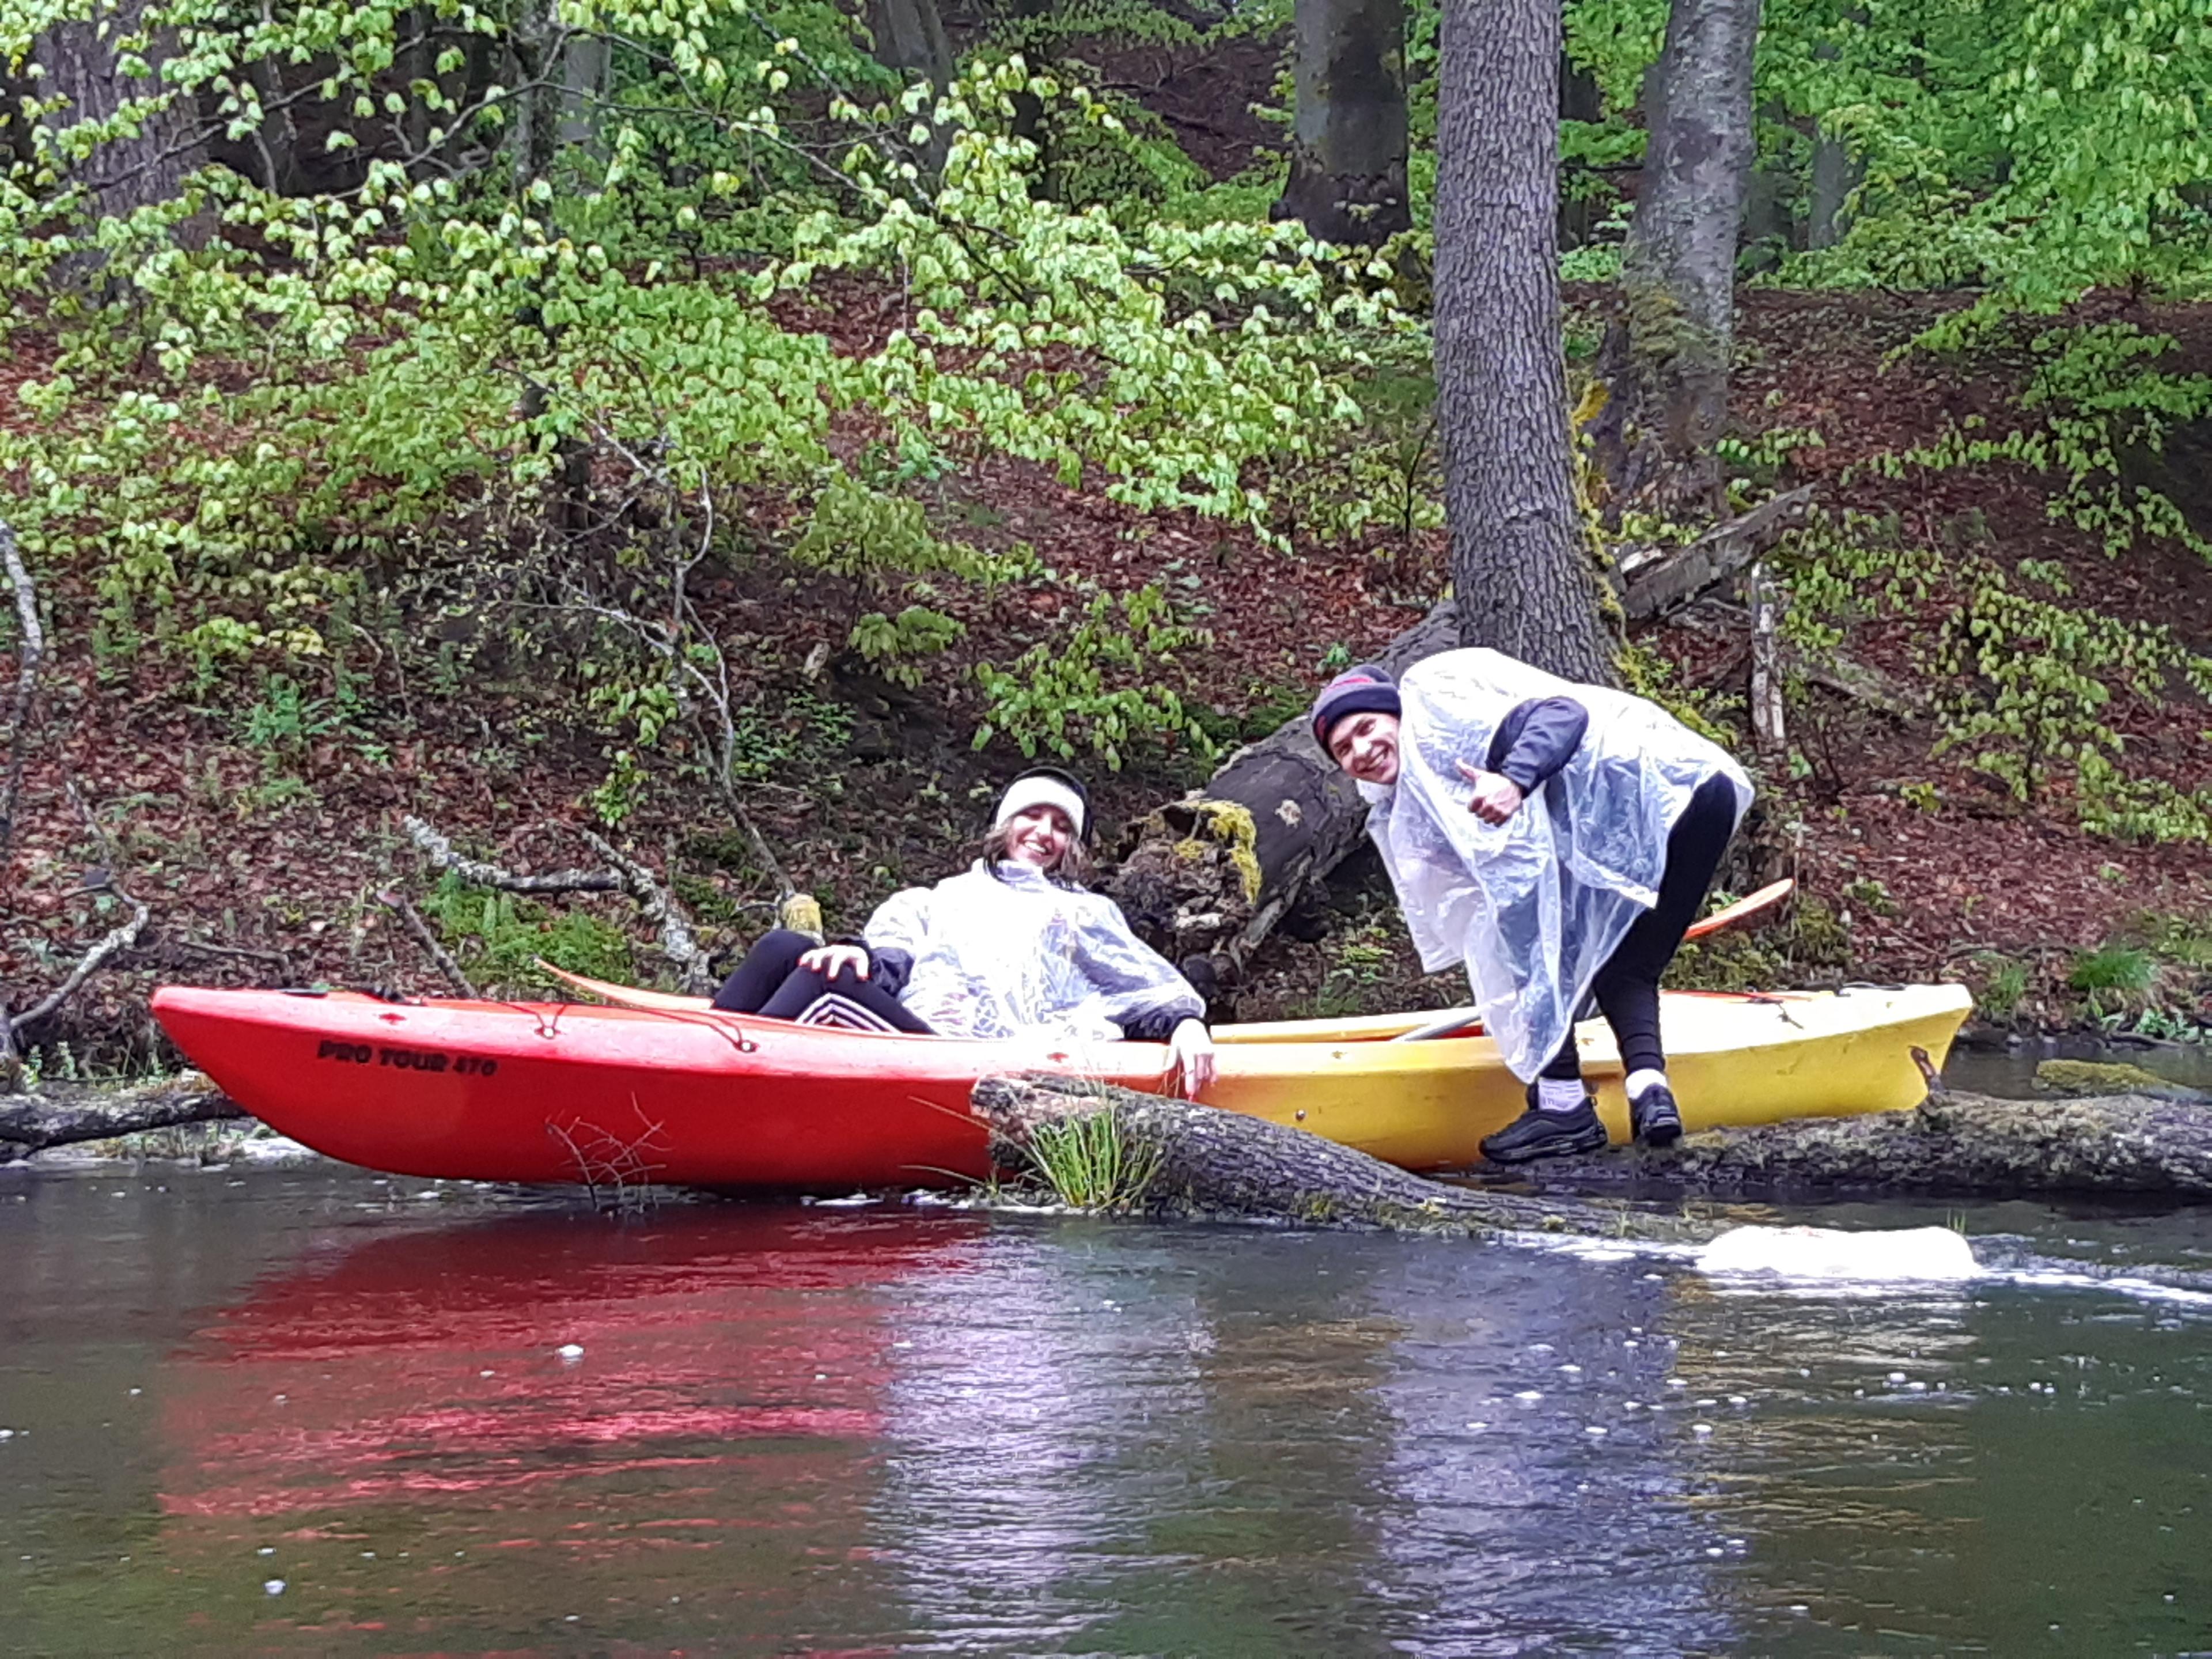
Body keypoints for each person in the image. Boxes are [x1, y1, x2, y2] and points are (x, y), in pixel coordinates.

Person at [1310, 652, 1751, 1164]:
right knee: (1624, 965)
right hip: (1697, 797)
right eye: (1343, 749)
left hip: (1658, 794)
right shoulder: (1412, 797)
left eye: (1367, 727)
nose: (1362, 750)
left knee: (1522, 930)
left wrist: (1514, 778)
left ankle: (1563, 1107)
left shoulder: (1446, 726)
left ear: (1398, 717)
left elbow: (1562, 714)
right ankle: (1651, 1095)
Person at [711, 766, 1218, 1094]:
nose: (1044, 833)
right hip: (918, 1037)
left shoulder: (1084, 912)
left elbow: (1143, 989)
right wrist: (862, 956)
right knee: (788, 947)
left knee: (824, 983)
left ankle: (718, 1095)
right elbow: (894, 955)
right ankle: (694, 1063)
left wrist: (1187, 1024)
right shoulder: (945, 896)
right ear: (1005, 824)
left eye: (1061, 826)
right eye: (1033, 816)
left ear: (1073, 846)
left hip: (970, 1068)